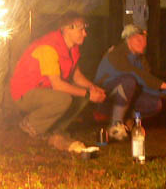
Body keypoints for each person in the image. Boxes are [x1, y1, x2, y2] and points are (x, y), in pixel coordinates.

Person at [10, 11, 106, 152]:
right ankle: (30, 126)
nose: (85, 33)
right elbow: (57, 84)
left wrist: (93, 88)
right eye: (82, 29)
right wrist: (87, 94)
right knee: (64, 99)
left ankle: (55, 130)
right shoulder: (49, 48)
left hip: (45, 91)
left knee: (82, 96)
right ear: (68, 29)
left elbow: (76, 75)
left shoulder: (72, 47)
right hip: (25, 93)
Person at [95, 24, 166, 140]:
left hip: (124, 98)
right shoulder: (117, 54)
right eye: (138, 39)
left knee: (155, 104)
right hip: (103, 98)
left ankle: (129, 123)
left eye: (144, 39)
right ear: (128, 39)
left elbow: (145, 84)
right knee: (128, 81)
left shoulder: (140, 59)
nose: (143, 42)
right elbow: (139, 76)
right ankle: (115, 126)